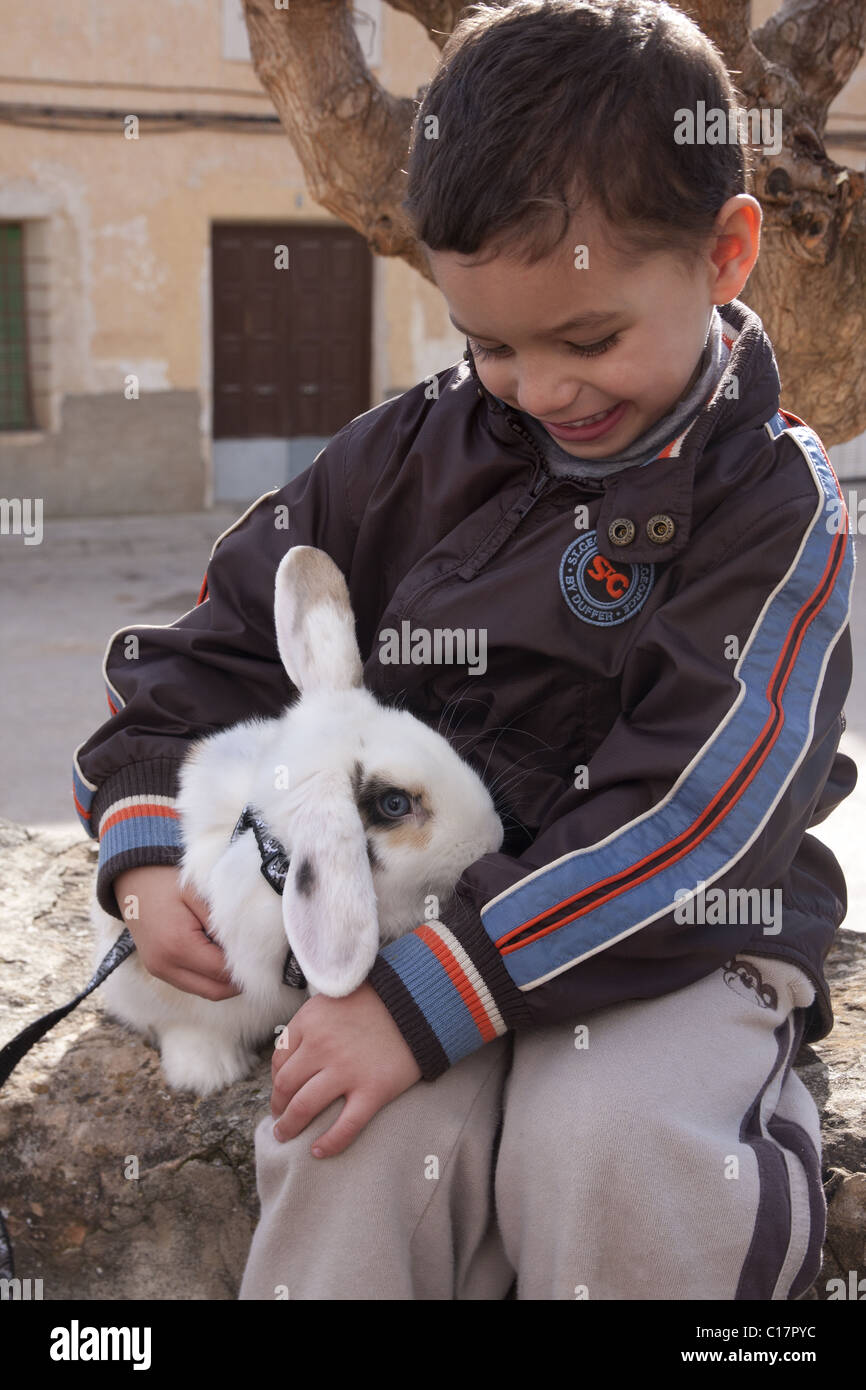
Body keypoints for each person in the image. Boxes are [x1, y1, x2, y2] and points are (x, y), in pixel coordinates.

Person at [73, 0, 856, 1300]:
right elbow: (207, 650)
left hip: (662, 938)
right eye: (489, 343)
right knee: (351, 1130)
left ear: (725, 255)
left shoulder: (774, 507)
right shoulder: (404, 451)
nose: (541, 386)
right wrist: (150, 847)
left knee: (602, 1138)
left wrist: (438, 990)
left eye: (587, 338)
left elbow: (695, 820)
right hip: (408, 932)